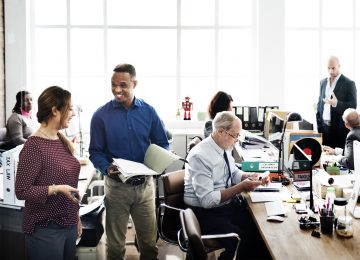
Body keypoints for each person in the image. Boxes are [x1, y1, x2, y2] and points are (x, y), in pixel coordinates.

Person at [89, 63, 169, 260]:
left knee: (149, 245)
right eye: (113, 85)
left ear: (135, 83)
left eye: (123, 85)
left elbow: (162, 143)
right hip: (117, 188)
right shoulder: (100, 116)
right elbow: (95, 152)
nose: (117, 90)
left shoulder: (149, 112)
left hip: (145, 188)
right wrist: (107, 168)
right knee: (115, 248)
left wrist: (158, 163)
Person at [184, 111, 270, 259]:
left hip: (224, 207)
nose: (237, 140)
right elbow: (207, 200)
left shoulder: (223, 146)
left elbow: (232, 172)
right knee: (243, 239)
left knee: (261, 233)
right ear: (220, 132)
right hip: (204, 214)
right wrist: (242, 186)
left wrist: (247, 176)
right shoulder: (201, 156)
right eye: (235, 135)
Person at [15, 86, 82, 260]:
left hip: (68, 224)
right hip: (45, 230)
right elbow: (21, 190)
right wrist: (57, 188)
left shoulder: (60, 139)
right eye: (70, 108)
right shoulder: (33, 147)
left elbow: (71, 186)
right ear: (55, 111)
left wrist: (76, 217)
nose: (73, 113)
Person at [316, 56, 357, 149]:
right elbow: (320, 104)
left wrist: (336, 104)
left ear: (339, 66)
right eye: (328, 68)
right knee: (325, 158)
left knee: (337, 160)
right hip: (323, 129)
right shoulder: (322, 82)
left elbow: (353, 106)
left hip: (339, 131)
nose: (331, 71)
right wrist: (319, 124)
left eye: (333, 68)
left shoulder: (349, 83)